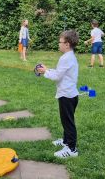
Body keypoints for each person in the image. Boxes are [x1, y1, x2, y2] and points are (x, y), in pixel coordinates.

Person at [37, 30, 79, 158]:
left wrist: (45, 71)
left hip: (66, 95)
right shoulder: (69, 56)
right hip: (69, 94)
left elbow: (57, 76)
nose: (58, 44)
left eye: (60, 42)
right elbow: (60, 73)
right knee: (66, 120)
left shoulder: (65, 58)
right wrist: (47, 70)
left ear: (67, 44)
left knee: (68, 122)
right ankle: (66, 141)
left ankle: (72, 149)